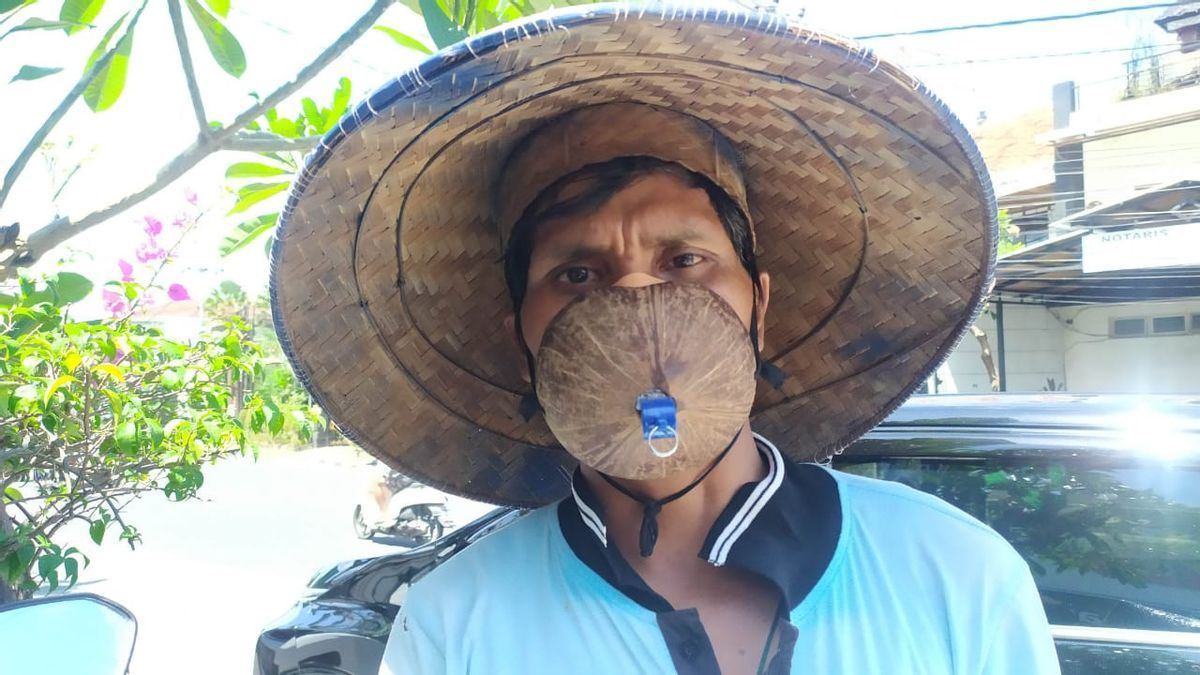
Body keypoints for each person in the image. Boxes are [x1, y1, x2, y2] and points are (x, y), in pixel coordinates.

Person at [269, 6, 1060, 674]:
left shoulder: (956, 574)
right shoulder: (457, 621)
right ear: (521, 341)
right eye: (578, 274)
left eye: (684, 261)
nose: (637, 300)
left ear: (759, 307)